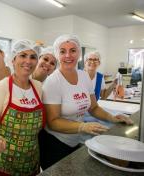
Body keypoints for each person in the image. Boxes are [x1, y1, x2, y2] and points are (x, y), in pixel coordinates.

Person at [39, 34, 133, 170]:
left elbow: (93, 108)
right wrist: (82, 126)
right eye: (62, 51)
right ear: (57, 54)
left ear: (79, 54)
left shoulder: (83, 76)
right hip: (54, 144)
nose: (68, 55)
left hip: (75, 140)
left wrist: (112, 118)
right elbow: (53, 122)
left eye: (72, 50)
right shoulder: (53, 81)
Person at [0, 39, 45, 175]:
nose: (28, 61)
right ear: (13, 59)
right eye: (23, 55)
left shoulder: (38, 87)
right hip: (4, 163)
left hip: (31, 161)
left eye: (33, 57)